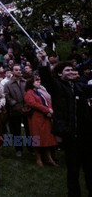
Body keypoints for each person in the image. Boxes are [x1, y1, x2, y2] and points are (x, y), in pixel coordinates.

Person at [38, 52, 92, 197]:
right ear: (60, 74)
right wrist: (44, 62)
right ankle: (74, 193)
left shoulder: (78, 87)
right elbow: (47, 79)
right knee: (73, 168)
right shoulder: (58, 87)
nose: (71, 72)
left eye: (72, 69)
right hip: (71, 135)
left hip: (86, 134)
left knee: (89, 166)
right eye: (67, 70)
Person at [23, 75, 58, 167]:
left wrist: (50, 109)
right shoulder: (29, 92)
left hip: (45, 117)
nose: (39, 82)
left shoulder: (39, 92)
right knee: (37, 138)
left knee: (47, 138)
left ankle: (48, 158)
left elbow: (47, 101)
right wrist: (46, 110)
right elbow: (33, 104)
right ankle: (38, 158)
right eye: (36, 81)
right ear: (31, 83)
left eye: (39, 81)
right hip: (36, 118)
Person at [4, 64, 30, 158]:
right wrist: (15, 104)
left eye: (19, 69)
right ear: (12, 72)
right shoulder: (8, 84)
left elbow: (29, 93)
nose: (19, 71)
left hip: (26, 109)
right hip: (14, 110)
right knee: (16, 131)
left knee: (28, 129)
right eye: (16, 70)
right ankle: (18, 149)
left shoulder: (25, 82)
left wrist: (27, 104)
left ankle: (30, 147)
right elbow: (7, 96)